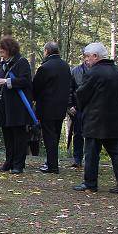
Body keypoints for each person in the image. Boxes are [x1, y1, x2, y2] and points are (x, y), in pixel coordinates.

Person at [72, 42, 118, 194]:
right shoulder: (117, 71)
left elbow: (82, 93)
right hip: (114, 118)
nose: (86, 60)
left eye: (87, 56)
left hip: (95, 119)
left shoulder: (94, 72)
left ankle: (90, 182)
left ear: (95, 56)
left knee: (92, 152)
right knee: (116, 152)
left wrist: (79, 105)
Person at [0, 36, 33, 174]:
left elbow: (25, 81)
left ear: (10, 49)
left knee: (18, 135)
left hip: (18, 105)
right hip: (5, 105)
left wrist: (7, 81)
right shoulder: (3, 63)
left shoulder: (21, 62)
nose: (0, 53)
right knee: (7, 134)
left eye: (2, 51)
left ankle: (18, 164)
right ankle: (9, 161)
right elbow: (1, 77)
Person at [32, 41, 72, 174]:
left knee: (49, 136)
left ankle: (52, 165)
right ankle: (52, 162)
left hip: (47, 107)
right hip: (61, 107)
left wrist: (33, 99)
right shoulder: (65, 66)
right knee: (55, 134)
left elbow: (36, 87)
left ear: (47, 51)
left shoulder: (45, 67)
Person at [67, 58, 88, 168]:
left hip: (92, 109)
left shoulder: (97, 70)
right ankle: (77, 159)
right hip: (77, 108)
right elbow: (69, 89)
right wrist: (70, 106)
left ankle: (90, 159)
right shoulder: (75, 71)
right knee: (78, 133)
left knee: (92, 135)